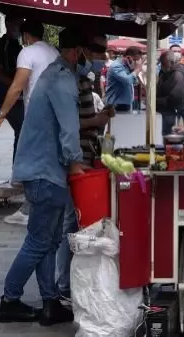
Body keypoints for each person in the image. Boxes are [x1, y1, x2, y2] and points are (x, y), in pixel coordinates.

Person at [0, 27, 88, 326]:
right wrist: (75, 164)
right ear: (76, 52)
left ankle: (50, 303)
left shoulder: (52, 74)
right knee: (39, 241)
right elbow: (68, 128)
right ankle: (9, 300)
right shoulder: (61, 78)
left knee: (47, 241)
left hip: (42, 168)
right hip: (45, 171)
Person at [57, 33, 111, 302]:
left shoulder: (84, 81)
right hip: (76, 159)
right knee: (73, 221)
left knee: (77, 221)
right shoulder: (72, 82)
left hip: (85, 154)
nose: (103, 56)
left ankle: (70, 283)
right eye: (99, 50)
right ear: (82, 51)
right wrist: (99, 119)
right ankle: (64, 286)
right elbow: (73, 124)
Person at [0, 19, 59, 227]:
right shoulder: (54, 53)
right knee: (45, 161)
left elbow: (16, 87)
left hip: (37, 115)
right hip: (54, 113)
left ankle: (30, 210)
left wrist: (1, 114)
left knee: (32, 161)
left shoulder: (28, 52)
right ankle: (39, 207)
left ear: (27, 36)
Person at [0, 13, 23, 160]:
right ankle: (18, 171)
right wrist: (17, 85)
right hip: (6, 95)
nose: (20, 27)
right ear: (7, 25)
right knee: (22, 128)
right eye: (17, 24)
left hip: (17, 95)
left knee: (23, 129)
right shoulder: (1, 46)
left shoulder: (18, 46)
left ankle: (18, 170)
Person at [157, 51, 184, 136]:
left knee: (170, 137)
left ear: (171, 63)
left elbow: (176, 98)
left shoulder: (177, 75)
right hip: (165, 113)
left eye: (164, 63)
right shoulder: (165, 73)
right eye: (161, 64)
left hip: (172, 113)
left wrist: (157, 101)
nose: (162, 66)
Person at [105, 46, 143, 113]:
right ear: (128, 57)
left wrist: (133, 70)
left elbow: (134, 82)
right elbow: (127, 81)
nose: (137, 63)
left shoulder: (127, 66)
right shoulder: (117, 66)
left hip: (124, 103)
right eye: (135, 60)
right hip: (116, 104)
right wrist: (136, 70)